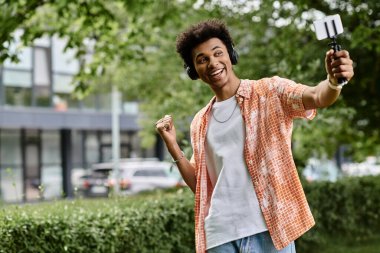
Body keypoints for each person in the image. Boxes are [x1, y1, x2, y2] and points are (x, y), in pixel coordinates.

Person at [155, 19, 354, 253]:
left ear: (231, 55)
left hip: (268, 231)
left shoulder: (269, 92)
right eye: (202, 59)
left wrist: (333, 82)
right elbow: (200, 184)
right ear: (193, 71)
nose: (212, 63)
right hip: (219, 236)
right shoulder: (200, 121)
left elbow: (317, 96)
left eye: (218, 53)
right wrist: (173, 147)